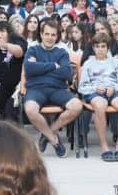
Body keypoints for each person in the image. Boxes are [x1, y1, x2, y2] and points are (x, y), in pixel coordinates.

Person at [22, 19, 82, 158]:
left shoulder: (62, 52)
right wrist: (53, 65)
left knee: (77, 106)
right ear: (41, 35)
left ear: (57, 36)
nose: (50, 38)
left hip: (58, 89)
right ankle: (55, 141)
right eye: (47, 34)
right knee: (30, 109)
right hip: (36, 89)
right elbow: (29, 69)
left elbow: (67, 73)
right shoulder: (33, 49)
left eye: (53, 35)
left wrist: (40, 67)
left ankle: (46, 134)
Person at [78, 32, 118, 161]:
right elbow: (82, 86)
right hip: (95, 92)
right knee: (100, 106)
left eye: (103, 46)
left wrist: (114, 88)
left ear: (108, 48)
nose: (100, 49)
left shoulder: (115, 63)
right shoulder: (88, 64)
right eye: (97, 46)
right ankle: (104, 146)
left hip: (114, 90)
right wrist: (94, 88)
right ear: (93, 48)